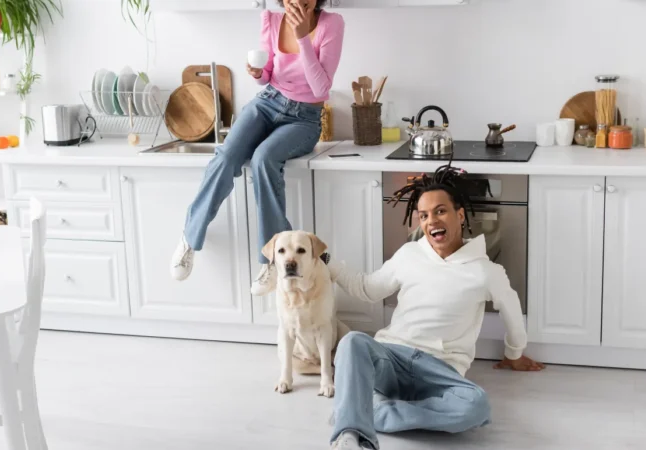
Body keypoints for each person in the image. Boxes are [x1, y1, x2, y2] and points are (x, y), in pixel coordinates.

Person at [326, 163, 546, 450]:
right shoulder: (409, 254)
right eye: (424, 215)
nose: (431, 221)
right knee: (352, 342)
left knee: (476, 406)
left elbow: (512, 309)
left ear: (460, 214)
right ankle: (350, 435)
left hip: (441, 369)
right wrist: (329, 264)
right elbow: (368, 289)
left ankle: (366, 412)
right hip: (392, 356)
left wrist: (514, 352)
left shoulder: (485, 271)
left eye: (440, 211)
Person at [170, 0, 345, 291]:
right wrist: (257, 73)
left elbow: (320, 89)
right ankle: (190, 236)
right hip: (267, 104)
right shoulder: (272, 20)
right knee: (227, 156)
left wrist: (302, 36)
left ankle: (270, 264)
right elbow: (267, 77)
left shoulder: (332, 24)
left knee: (264, 159)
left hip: (304, 119)